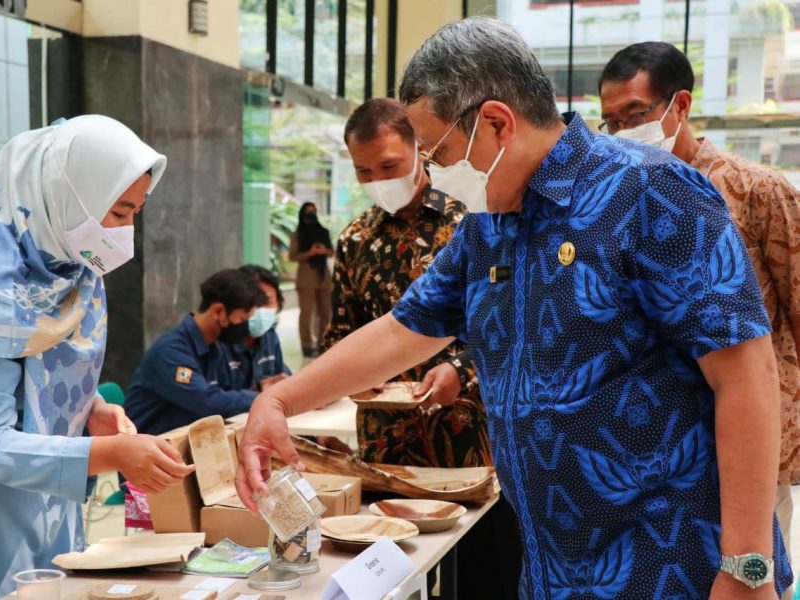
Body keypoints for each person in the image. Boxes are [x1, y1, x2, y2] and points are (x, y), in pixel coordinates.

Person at [236, 17, 793, 599]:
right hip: (556, 567)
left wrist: (748, 566)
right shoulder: (489, 225)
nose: (435, 172)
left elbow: (748, 377)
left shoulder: (652, 193)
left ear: (496, 123)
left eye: (439, 151)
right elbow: (405, 329)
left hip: (673, 563)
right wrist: (280, 398)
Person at [0, 116, 194, 600]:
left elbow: (37, 368)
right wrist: (113, 455)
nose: (126, 231)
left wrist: (92, 408)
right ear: (67, 194)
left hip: (40, 498)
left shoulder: (66, 269)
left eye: (136, 213)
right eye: (118, 212)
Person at [598, 41, 800, 598]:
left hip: (745, 450)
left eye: (635, 115)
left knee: (748, 579)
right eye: (610, 121)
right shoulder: (611, 201)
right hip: (648, 456)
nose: (620, 132)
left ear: (679, 105)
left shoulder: (756, 190)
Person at [328, 97, 521, 598]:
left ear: (420, 148)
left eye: (389, 165)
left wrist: (461, 367)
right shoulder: (355, 239)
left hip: (472, 442)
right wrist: (354, 377)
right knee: (391, 578)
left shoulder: (476, 220)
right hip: (386, 446)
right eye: (364, 171)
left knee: (483, 576)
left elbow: (510, 321)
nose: (378, 180)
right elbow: (340, 333)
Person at [125, 268, 267, 436]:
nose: (245, 327)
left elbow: (228, 393)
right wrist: (264, 399)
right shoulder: (170, 352)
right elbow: (208, 402)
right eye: (243, 319)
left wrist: (263, 387)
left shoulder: (216, 347)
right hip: (146, 450)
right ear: (219, 311)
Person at [223, 265, 292, 392]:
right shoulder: (221, 341)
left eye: (267, 301)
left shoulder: (270, 337)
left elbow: (284, 379)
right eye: (254, 302)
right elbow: (213, 399)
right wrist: (258, 392)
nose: (258, 310)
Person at [289, 202, 333, 358]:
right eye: (308, 212)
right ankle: (307, 345)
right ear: (302, 214)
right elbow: (293, 256)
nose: (311, 214)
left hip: (324, 277)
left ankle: (324, 343)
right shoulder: (297, 235)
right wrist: (310, 252)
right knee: (306, 314)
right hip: (306, 278)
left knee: (325, 313)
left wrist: (323, 251)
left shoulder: (324, 232)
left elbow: (332, 251)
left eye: (313, 211)